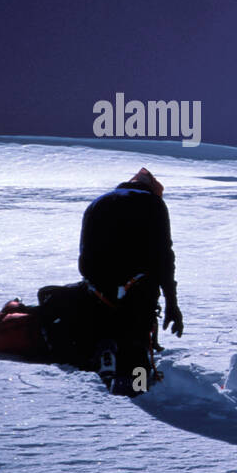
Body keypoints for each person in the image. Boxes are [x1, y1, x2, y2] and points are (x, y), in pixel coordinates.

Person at [78, 167, 182, 395]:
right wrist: (171, 303)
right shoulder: (153, 204)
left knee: (108, 319)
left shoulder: (98, 202)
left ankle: (107, 353)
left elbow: (84, 254)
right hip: (136, 284)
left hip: (95, 283)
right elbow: (164, 256)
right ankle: (138, 385)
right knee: (136, 333)